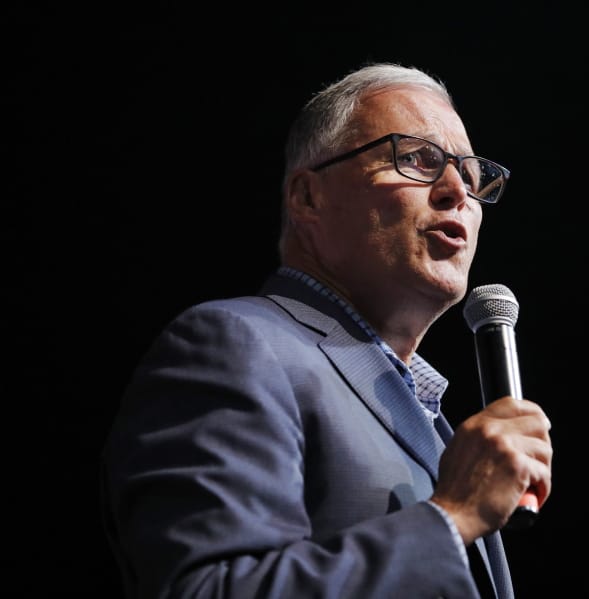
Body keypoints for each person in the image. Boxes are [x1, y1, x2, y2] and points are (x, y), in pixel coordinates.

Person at [100, 61, 553, 599]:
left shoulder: (435, 426)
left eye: (474, 178)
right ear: (308, 197)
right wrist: (452, 519)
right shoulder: (235, 344)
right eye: (417, 158)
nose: (457, 189)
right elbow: (206, 588)